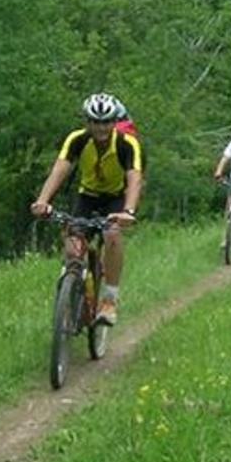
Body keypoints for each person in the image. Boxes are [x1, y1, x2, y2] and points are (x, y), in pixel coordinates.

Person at [31, 93, 142, 326]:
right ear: (87, 122)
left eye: (106, 122)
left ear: (114, 122)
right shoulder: (77, 140)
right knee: (73, 244)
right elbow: (60, 169)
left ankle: (110, 299)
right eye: (95, 122)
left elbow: (134, 177)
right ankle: (76, 291)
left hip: (116, 199)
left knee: (111, 234)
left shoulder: (126, 143)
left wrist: (129, 211)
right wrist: (42, 200)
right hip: (87, 196)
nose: (101, 128)